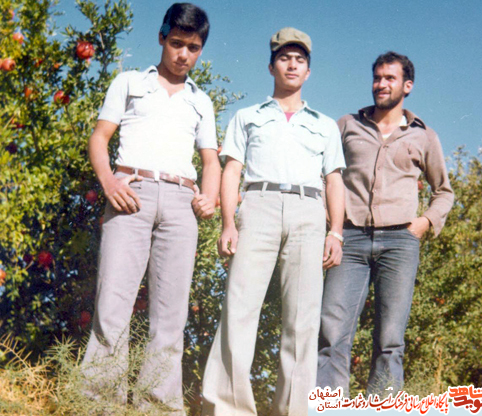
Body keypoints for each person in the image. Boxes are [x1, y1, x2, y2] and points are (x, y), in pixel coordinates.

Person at [81, 3, 220, 413]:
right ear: (161, 37)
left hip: (180, 203)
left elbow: (211, 161)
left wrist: (210, 195)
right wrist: (109, 182)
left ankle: (158, 407)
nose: (183, 55)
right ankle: (98, 404)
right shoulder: (129, 82)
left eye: (193, 48)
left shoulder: (201, 101)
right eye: (176, 43)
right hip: (131, 194)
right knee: (112, 306)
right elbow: (99, 138)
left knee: (171, 318)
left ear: (200, 49)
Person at [202, 27, 346, 416]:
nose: (292, 65)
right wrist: (228, 223)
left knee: (302, 319)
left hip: (309, 211)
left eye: (299, 59)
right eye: (284, 58)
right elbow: (232, 170)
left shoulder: (325, 125)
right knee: (239, 308)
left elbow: (334, 180)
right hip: (258, 206)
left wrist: (335, 232)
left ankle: (293, 410)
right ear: (271, 66)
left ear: (308, 71)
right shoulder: (247, 117)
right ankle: (228, 409)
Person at [317, 51, 454, 397]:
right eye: (377, 77)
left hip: (400, 243)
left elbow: (444, 192)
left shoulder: (424, 136)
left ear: (407, 86)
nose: (381, 84)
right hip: (349, 238)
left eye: (390, 78)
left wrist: (424, 223)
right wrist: (331, 225)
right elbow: (324, 176)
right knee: (332, 331)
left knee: (390, 338)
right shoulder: (347, 125)